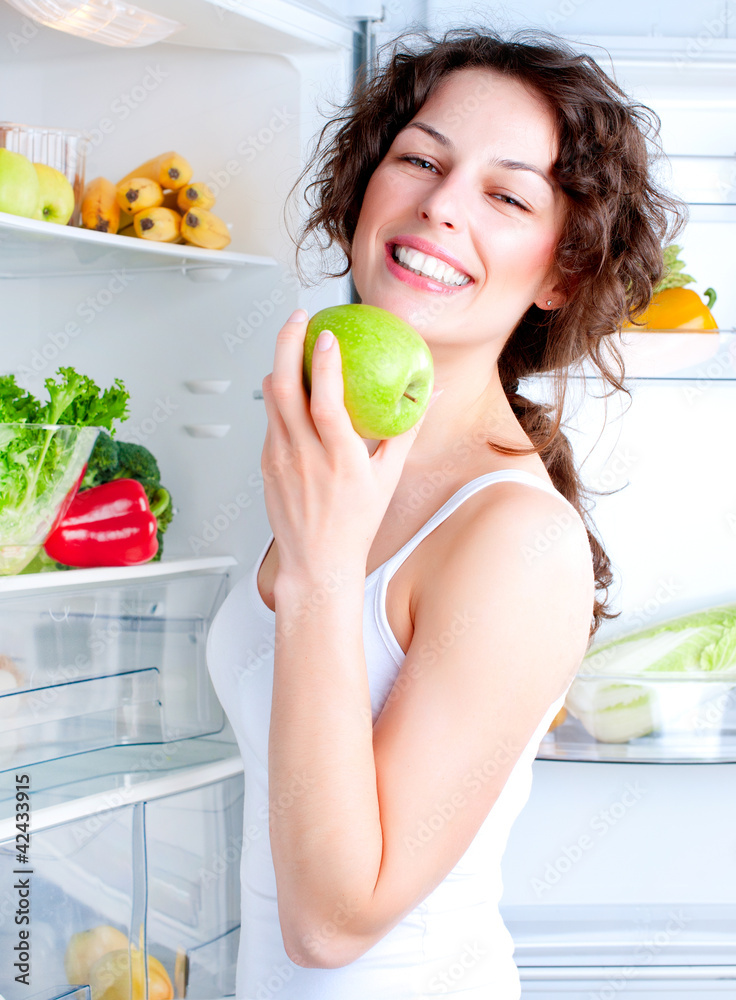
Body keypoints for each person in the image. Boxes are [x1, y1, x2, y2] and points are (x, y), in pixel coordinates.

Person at [207, 25, 682, 1000]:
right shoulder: (332, 457)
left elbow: (335, 922)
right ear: (363, 194)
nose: (438, 204)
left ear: (563, 272)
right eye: (419, 158)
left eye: (506, 194)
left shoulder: (518, 539)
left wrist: (321, 574)